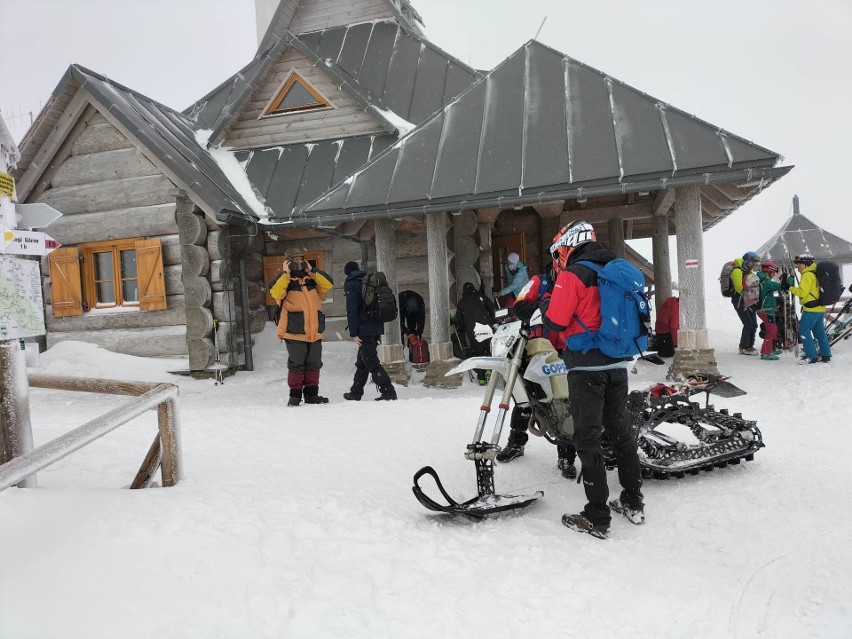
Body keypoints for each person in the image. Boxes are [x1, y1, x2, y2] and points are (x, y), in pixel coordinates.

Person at [543, 220, 644, 540]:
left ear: (570, 243)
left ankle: (597, 516)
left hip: (585, 368)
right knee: (620, 432)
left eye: (560, 250)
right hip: (617, 363)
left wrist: (544, 303)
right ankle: (633, 499)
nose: (559, 257)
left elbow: (556, 321)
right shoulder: (616, 268)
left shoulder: (573, 274)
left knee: (586, 438)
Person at [501, 267, 577, 479]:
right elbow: (519, 307)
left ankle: (566, 457)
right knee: (525, 400)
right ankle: (516, 443)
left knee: (564, 402)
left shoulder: (575, 283)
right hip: (536, 349)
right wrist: (546, 306)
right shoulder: (538, 282)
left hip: (565, 350)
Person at [269, 249, 333, 407]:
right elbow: (275, 292)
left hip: (314, 332)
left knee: (314, 363)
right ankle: (295, 396)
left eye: (300, 259)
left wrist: (313, 270)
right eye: (295, 260)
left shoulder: (312, 280)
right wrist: (285, 273)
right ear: (288, 262)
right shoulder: (284, 281)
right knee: (297, 363)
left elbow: (328, 284)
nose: (298, 262)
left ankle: (312, 395)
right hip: (294, 332)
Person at [342, 261, 398, 400]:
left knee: (372, 362)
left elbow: (352, 310)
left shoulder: (351, 284)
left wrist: (354, 333)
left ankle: (388, 391)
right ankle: (356, 392)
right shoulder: (368, 281)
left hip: (363, 329)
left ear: (347, 273)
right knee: (363, 361)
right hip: (376, 326)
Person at [787, 254, 832, 364]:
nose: (798, 266)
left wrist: (790, 288)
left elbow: (802, 292)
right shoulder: (815, 273)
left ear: (806, 264)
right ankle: (825, 355)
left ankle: (811, 356)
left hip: (811, 309)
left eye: (799, 264)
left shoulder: (807, 275)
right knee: (819, 332)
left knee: (804, 331)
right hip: (820, 308)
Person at [455, 281, 496, 384]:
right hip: (486, 328)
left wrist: (462, 337)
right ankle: (489, 370)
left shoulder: (461, 302)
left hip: (473, 331)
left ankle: (481, 377)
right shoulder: (481, 297)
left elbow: (460, 322)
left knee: (478, 353)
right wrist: (493, 321)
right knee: (489, 350)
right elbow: (492, 309)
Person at [730, 251, 761, 355]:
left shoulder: (749, 272)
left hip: (749, 300)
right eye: (752, 262)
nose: (753, 264)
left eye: (754, 263)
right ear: (746, 260)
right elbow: (739, 289)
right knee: (748, 324)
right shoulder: (737, 271)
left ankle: (750, 346)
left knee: (754, 325)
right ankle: (744, 347)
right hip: (739, 301)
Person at [755, 261, 783, 361]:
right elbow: (779, 286)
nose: (774, 274)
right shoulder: (765, 281)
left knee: (773, 328)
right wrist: (790, 278)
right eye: (773, 272)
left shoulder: (761, 280)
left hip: (764, 309)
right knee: (771, 330)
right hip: (765, 310)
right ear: (769, 271)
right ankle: (766, 353)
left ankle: (771, 348)